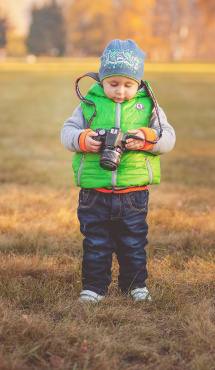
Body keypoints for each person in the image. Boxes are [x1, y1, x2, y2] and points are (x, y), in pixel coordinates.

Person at [61, 39, 176, 303]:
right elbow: (66, 132)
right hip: (94, 191)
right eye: (113, 84)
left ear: (139, 82)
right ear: (102, 80)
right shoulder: (90, 103)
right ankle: (94, 287)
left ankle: (135, 286)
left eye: (128, 85)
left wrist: (147, 138)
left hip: (133, 193)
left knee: (133, 243)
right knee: (95, 243)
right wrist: (82, 139)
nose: (121, 92)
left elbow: (168, 137)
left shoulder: (148, 106)